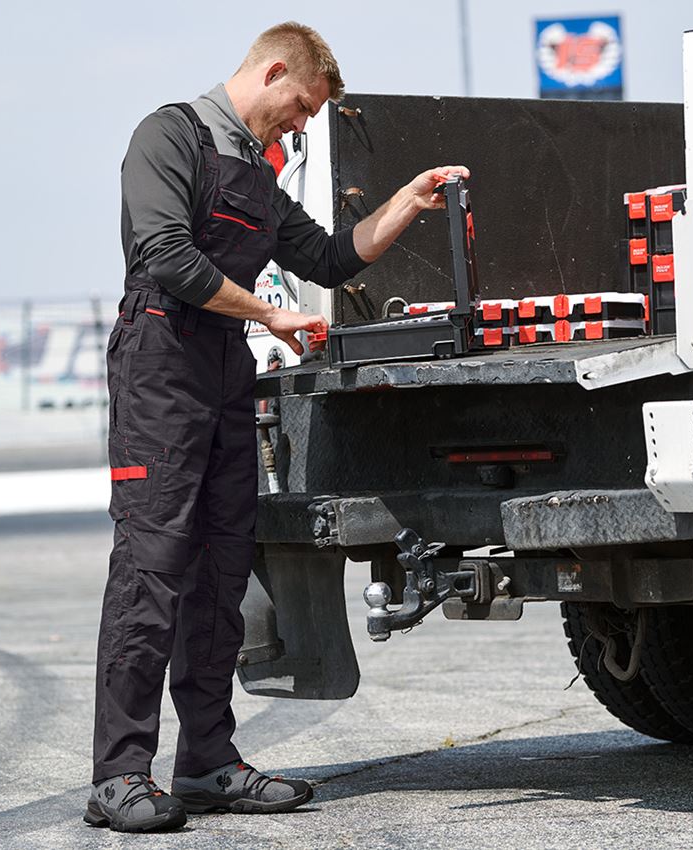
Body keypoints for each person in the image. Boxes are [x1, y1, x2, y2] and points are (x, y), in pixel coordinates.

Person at [85, 21, 469, 833]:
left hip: (225, 371)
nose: (301, 127)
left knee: (225, 575)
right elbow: (167, 256)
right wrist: (268, 312)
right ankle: (119, 774)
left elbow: (331, 258)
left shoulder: (258, 179)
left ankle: (206, 764)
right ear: (270, 73)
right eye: (299, 107)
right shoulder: (169, 137)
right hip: (160, 366)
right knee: (151, 570)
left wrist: (406, 200)